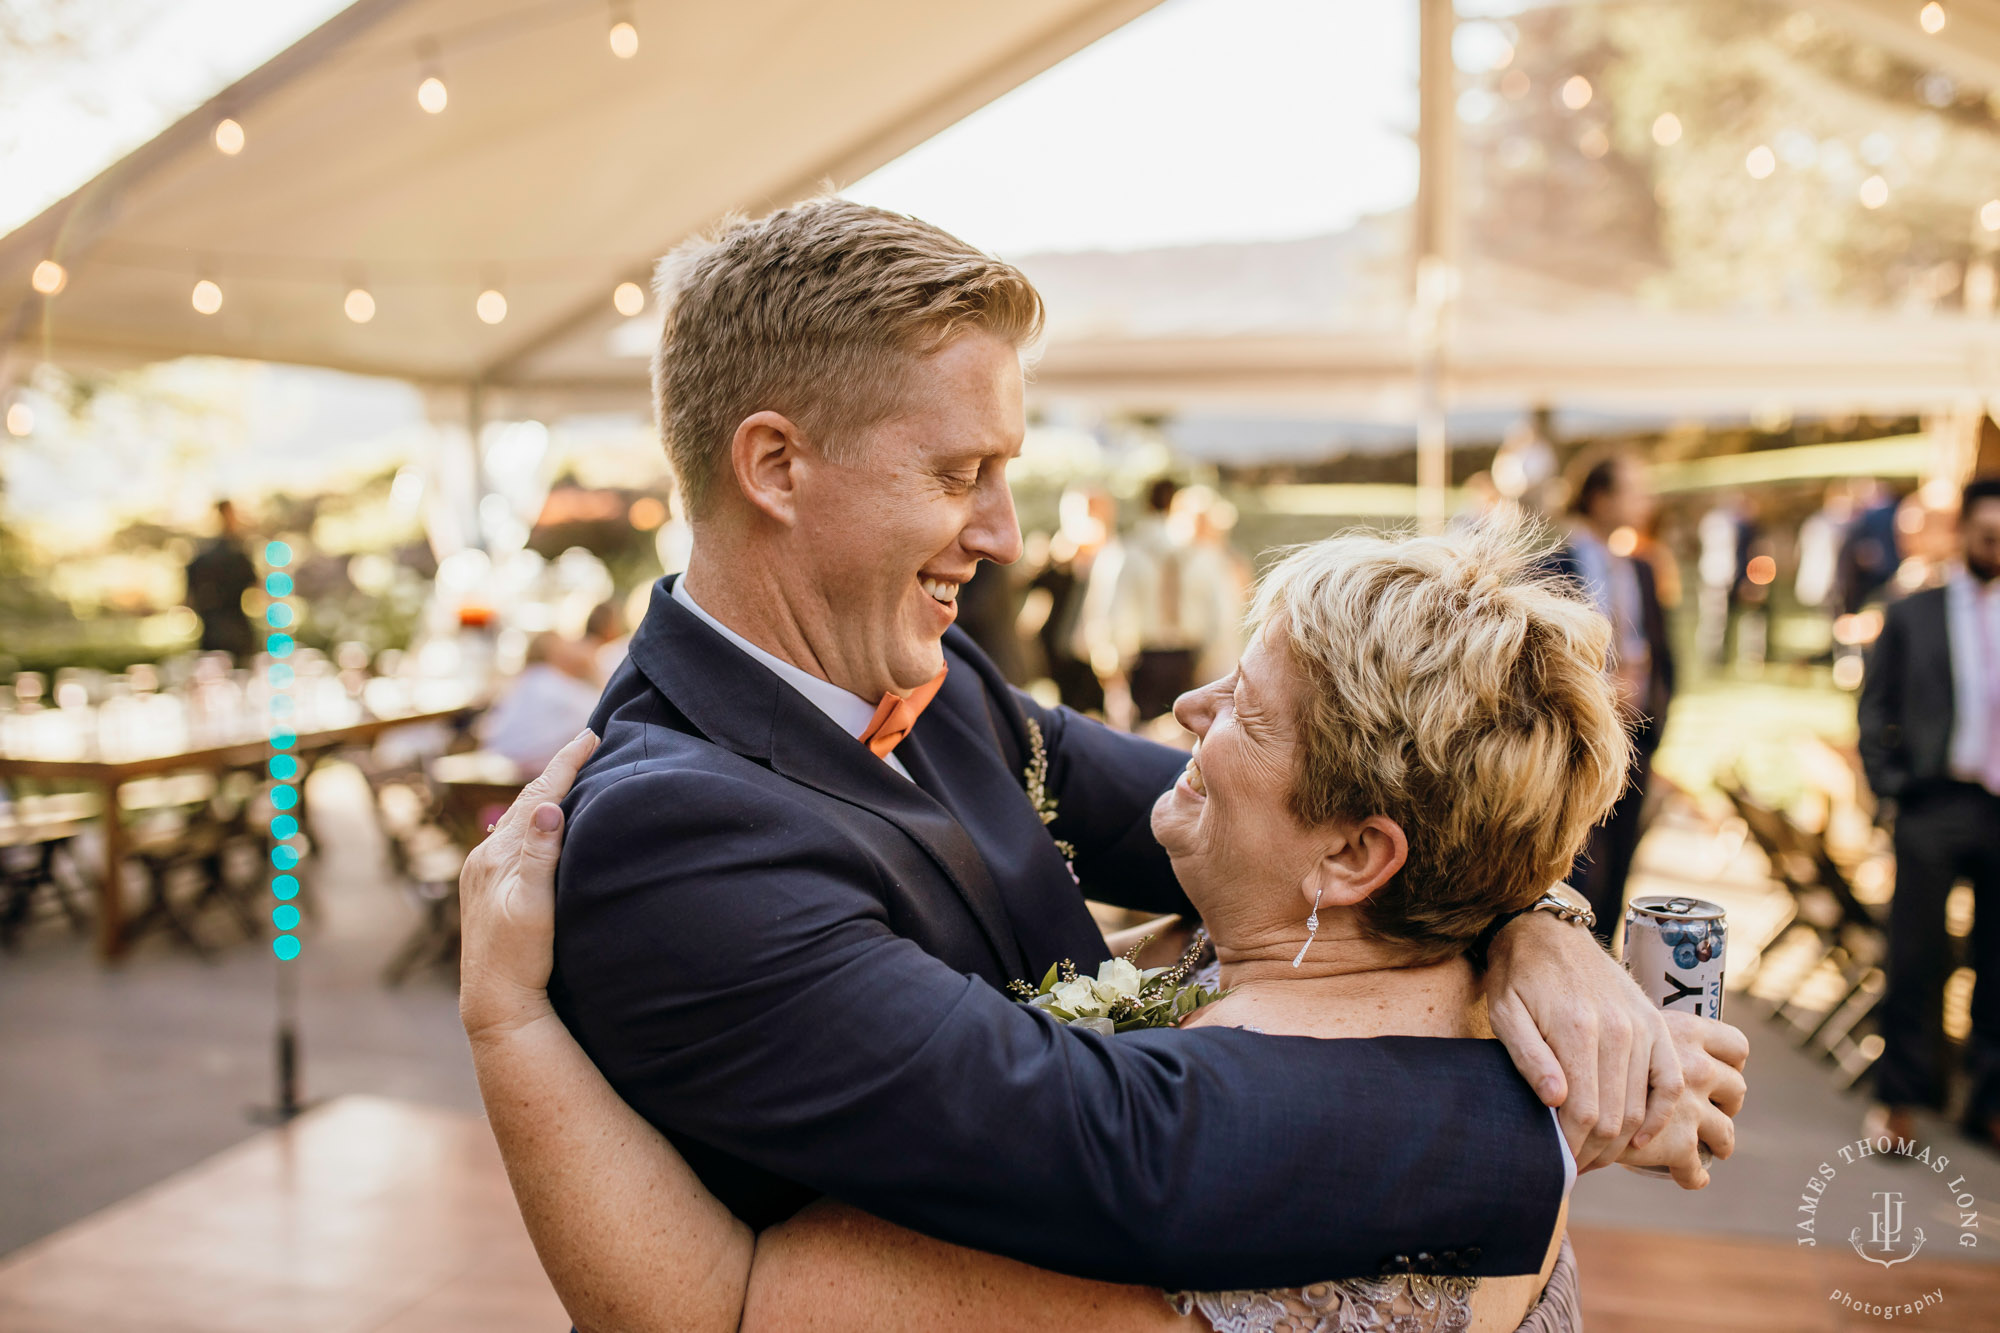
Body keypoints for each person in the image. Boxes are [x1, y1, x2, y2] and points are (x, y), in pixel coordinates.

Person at [461, 198, 1736, 1310]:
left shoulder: (938, 676)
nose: (1004, 535)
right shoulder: (668, 837)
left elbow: (1305, 830)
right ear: (776, 465)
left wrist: (1538, 928)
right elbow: (1115, 1145)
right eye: (962, 472)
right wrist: (1559, 1114)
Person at [460, 527, 1747, 1332]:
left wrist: (506, 1014)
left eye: (1242, 710)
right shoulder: (1437, 969)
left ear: (1353, 853)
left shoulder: (1257, 1164)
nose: (1182, 708)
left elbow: (725, 1312)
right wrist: (1536, 914)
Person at [1859, 474, 2000, 1149]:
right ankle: (1900, 1098)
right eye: (1986, 533)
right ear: (1964, 532)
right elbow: (1873, 704)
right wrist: (1890, 787)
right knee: (1916, 953)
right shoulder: (1916, 609)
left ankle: (1988, 1099)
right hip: (1933, 801)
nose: (1995, 545)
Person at [1549, 450, 1676, 945]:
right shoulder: (1552, 566)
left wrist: (1657, 725)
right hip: (1576, 746)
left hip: (1635, 740)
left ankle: (1604, 962)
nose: (1645, 501)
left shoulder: (1641, 568)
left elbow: (1663, 653)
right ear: (1600, 498)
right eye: (1634, 489)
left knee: (1620, 868)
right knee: (1575, 868)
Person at [1088, 476, 1210, 722]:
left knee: (1143, 737)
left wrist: (1112, 662)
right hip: (1188, 655)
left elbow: (1115, 609)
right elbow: (1214, 609)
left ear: (1147, 504)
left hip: (1144, 659)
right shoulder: (1199, 553)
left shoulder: (1128, 550)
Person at [1027, 487, 1115, 712]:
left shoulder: (1114, 555)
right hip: (1062, 649)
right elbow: (1033, 591)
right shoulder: (1058, 555)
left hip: (1099, 650)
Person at [475, 631, 603, 774]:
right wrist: (592, 669)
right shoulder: (550, 682)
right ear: (556, 654)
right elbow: (599, 713)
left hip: (507, 759)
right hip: (534, 767)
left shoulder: (529, 680)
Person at [183, 499, 259, 663]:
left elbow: (189, 600)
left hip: (218, 631)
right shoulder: (236, 553)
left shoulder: (204, 555)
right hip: (230, 632)